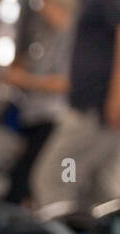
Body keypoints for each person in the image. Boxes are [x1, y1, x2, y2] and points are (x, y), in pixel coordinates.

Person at [32, 0, 120, 210]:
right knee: (97, 187)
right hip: (94, 110)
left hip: (93, 112)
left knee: (57, 178)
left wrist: (117, 97)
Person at [3, 0, 74, 205]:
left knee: (38, 179)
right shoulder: (39, 33)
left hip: (54, 118)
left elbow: (67, 83)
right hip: (32, 114)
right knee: (22, 179)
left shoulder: (72, 37)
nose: (41, 7)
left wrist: (25, 80)